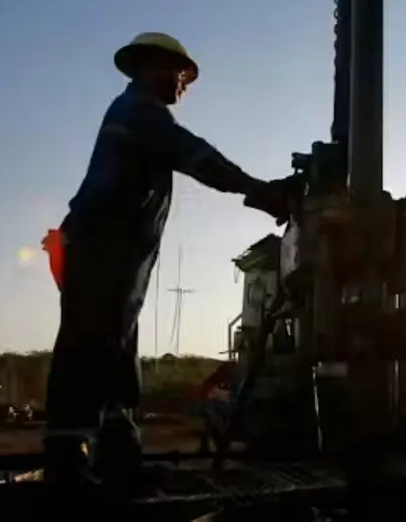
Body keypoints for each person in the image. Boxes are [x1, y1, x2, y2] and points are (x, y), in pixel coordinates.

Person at [43, 32, 290, 485]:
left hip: (116, 252)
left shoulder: (135, 113)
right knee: (92, 343)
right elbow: (198, 157)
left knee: (118, 347)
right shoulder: (140, 114)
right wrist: (260, 191)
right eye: (181, 74)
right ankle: (67, 460)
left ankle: (118, 454)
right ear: (152, 67)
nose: (185, 85)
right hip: (101, 245)